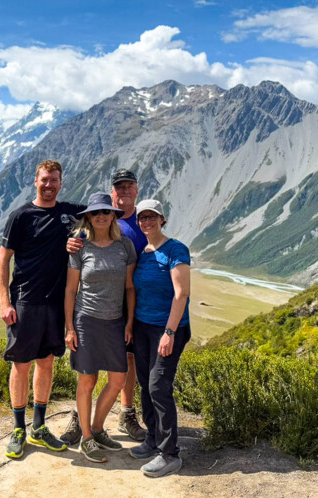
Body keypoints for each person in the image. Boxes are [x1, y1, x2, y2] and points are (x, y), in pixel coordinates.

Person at [0, 159, 86, 459]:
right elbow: (3, 259)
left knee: (46, 362)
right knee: (21, 365)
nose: (49, 185)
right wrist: (4, 301)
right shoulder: (20, 216)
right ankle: (18, 428)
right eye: (44, 180)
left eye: (54, 180)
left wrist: (80, 241)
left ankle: (39, 426)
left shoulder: (71, 213)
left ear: (61, 183)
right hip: (25, 301)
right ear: (35, 181)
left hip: (55, 304)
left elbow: (101, 220)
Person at [61, 169, 147, 445]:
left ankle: (113, 419)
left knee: (123, 368)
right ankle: (83, 426)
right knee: (88, 376)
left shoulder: (140, 224)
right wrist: (69, 327)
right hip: (90, 312)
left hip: (123, 310)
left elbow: (132, 284)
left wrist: (131, 321)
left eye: (128, 186)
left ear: (136, 190)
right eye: (119, 187)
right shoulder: (82, 244)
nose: (124, 191)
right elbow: (71, 288)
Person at [129, 199, 191, 478]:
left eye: (152, 217)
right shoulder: (143, 251)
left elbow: (181, 293)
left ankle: (169, 454)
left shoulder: (176, 249)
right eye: (142, 217)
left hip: (168, 329)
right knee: (145, 384)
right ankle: (152, 439)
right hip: (143, 327)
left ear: (162, 219)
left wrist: (169, 332)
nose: (146, 222)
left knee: (158, 387)